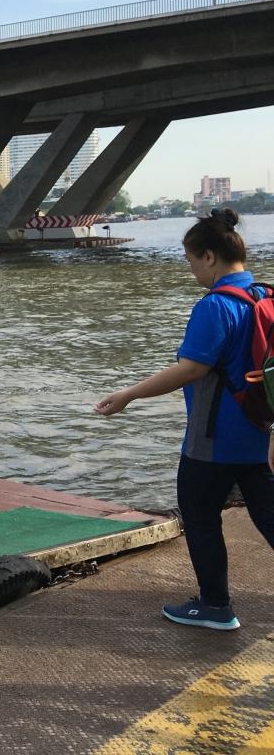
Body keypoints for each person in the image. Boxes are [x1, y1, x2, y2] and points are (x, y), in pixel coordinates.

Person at [95, 208, 274, 630]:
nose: (191, 270)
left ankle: (215, 606)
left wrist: (128, 394)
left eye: (192, 260)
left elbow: (190, 369)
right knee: (269, 517)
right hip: (261, 434)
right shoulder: (266, 296)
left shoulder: (216, 306)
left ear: (209, 256)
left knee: (199, 517)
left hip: (215, 440)